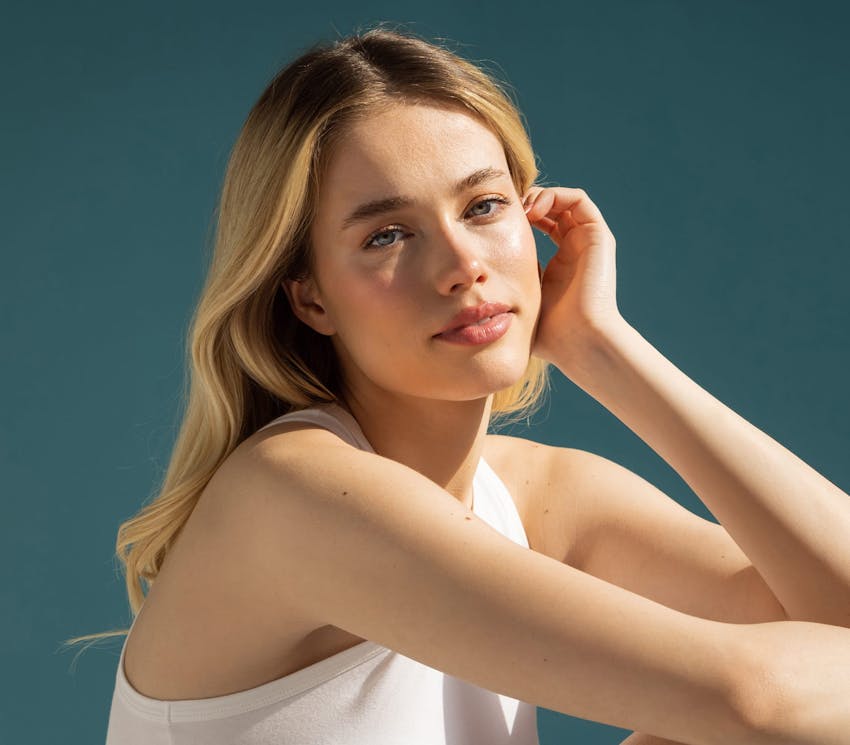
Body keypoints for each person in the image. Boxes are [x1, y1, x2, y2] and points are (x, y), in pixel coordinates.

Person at [66, 24, 850, 745]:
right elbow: (757, 700)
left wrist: (604, 348)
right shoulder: (292, 494)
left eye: (482, 206)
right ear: (310, 295)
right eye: (387, 234)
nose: (462, 264)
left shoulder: (537, 498)